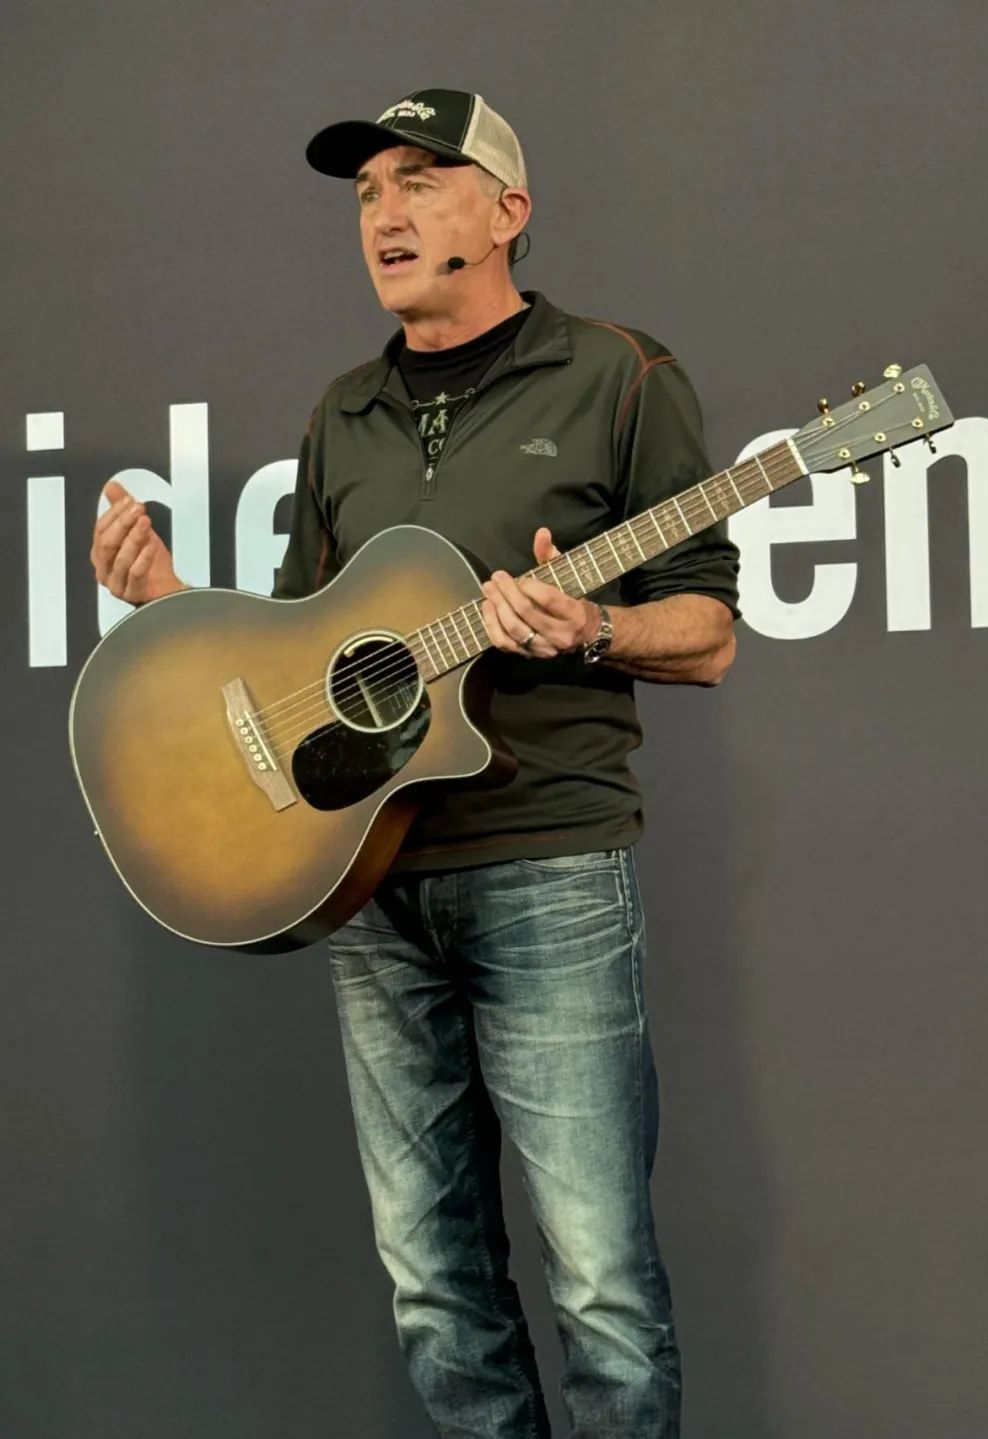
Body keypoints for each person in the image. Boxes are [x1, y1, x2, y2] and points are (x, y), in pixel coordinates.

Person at [90, 88, 739, 1439]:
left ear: (508, 211)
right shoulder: (345, 412)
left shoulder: (620, 375)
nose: (383, 211)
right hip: (370, 886)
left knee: (601, 1285)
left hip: (549, 867)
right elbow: (295, 652)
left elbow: (709, 632)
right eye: (367, 191)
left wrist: (592, 624)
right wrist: (166, 607)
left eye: (421, 181)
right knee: (434, 1288)